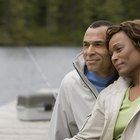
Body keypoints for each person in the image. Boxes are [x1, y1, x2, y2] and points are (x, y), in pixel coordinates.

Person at [64, 19, 140, 140]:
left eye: (119, 49)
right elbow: (85, 137)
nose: (114, 57)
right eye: (111, 54)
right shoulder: (109, 95)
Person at [48, 20, 119, 140]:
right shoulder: (70, 82)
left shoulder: (129, 80)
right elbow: (58, 132)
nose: (89, 52)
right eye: (86, 45)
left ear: (112, 48)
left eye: (98, 44)